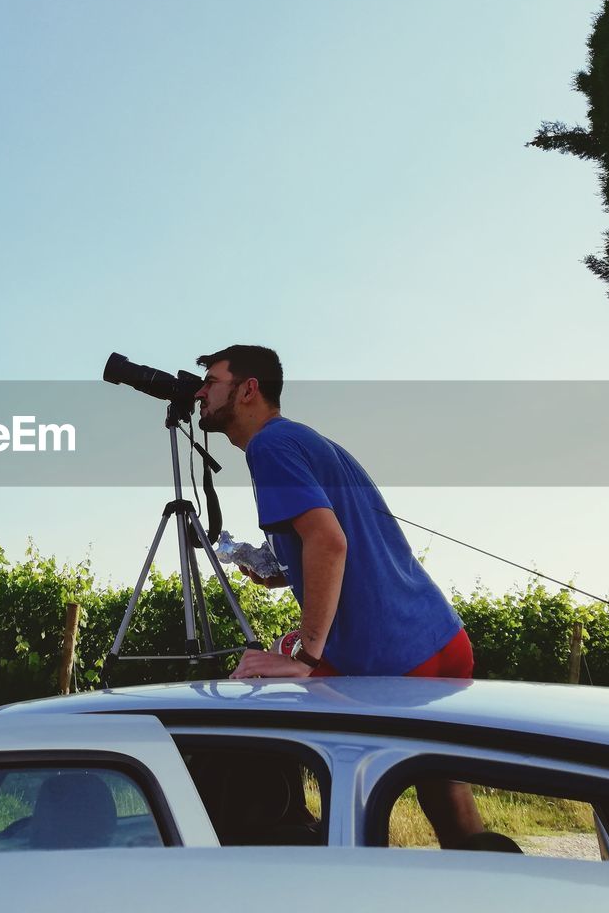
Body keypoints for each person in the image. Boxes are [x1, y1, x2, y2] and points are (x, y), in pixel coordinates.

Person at [193, 343, 484, 848]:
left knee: (348, 800)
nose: (199, 392)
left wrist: (306, 655)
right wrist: (282, 572)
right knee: (443, 789)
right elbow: (338, 541)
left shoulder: (269, 447)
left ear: (247, 390)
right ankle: (494, 883)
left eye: (211, 381)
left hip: (385, 656)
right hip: (436, 636)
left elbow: (329, 541)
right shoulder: (306, 441)